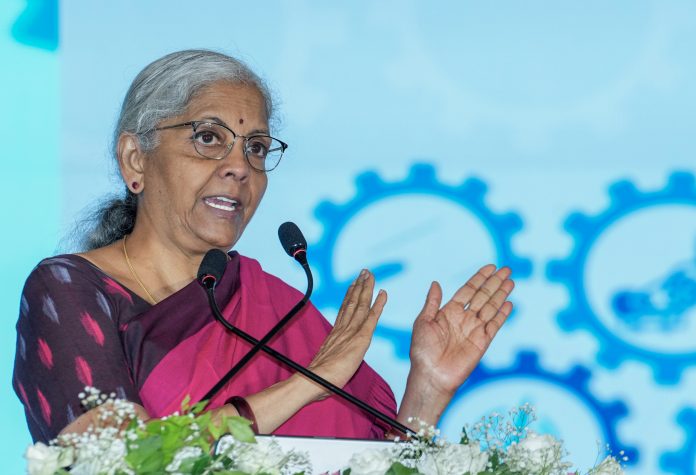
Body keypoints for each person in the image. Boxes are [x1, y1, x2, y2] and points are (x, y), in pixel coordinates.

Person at [13, 49, 515, 443]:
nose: (240, 167)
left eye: (255, 147)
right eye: (208, 138)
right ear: (134, 159)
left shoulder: (279, 311)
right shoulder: (68, 291)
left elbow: (375, 463)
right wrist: (306, 385)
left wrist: (428, 388)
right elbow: (118, 458)